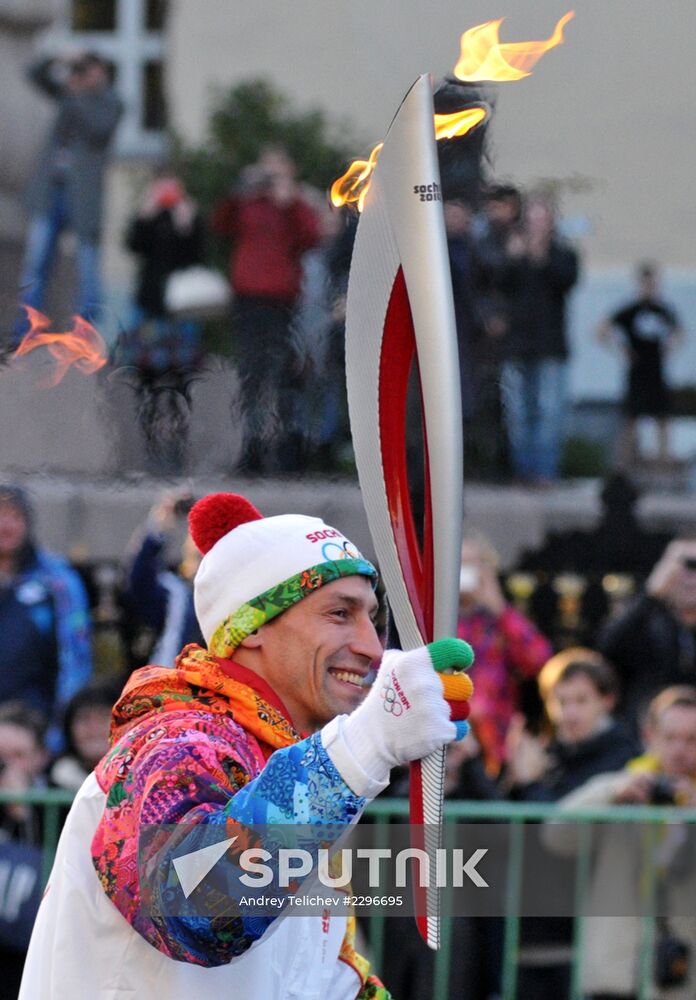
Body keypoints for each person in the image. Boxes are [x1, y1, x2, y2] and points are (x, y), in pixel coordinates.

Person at [19, 492, 474, 998]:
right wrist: (367, 744)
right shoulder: (172, 741)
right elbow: (199, 908)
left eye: (372, 617)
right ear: (252, 626)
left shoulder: (286, 771)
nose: (372, 646)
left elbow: (319, 982)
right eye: (340, 614)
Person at [544, 685, 696, 1000]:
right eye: (669, 738)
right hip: (615, 974)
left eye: (692, 740)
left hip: (682, 980)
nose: (680, 750)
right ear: (649, 736)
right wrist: (613, 795)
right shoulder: (619, 787)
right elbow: (555, 835)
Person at [503, 651, 639, 1000]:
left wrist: (532, 783)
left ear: (607, 701)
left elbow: (562, 828)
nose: (569, 713)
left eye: (581, 700)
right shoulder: (548, 756)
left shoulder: (624, 759)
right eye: (559, 701)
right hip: (532, 934)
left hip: (587, 932)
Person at [211, 146, 321, 473]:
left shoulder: (296, 205)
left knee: (282, 374)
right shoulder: (249, 202)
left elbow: (312, 237)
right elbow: (220, 224)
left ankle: (286, 452)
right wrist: (239, 190)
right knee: (251, 376)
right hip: (249, 298)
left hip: (281, 301)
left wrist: (290, 204)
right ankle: (252, 450)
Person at [16, 51, 122, 333]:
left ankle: (86, 330)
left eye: (90, 69)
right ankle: (26, 327)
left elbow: (98, 128)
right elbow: (33, 75)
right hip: (52, 192)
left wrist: (79, 92)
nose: (83, 75)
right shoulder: (69, 93)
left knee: (87, 266)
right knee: (37, 262)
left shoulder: (110, 102)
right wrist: (58, 58)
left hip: (83, 198)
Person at [497, 196, 580, 484]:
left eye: (541, 219)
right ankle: (522, 471)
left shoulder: (562, 254)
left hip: (550, 347)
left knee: (549, 412)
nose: (535, 225)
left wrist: (538, 257)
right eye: (531, 219)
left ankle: (545, 472)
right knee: (518, 413)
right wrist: (513, 258)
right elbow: (500, 285)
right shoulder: (514, 254)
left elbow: (566, 280)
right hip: (517, 346)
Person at [0, 485, 92, 739]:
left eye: (14, 516)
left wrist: (62, 727)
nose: (5, 526)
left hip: (34, 723)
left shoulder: (58, 581)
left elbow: (76, 656)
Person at [457, 534, 552, 774]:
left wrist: (498, 605)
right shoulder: (429, 619)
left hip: (497, 749)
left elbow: (540, 660)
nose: (463, 573)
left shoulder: (500, 620)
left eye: (471, 565)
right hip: (446, 746)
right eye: (457, 564)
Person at [599, 538, 696, 734]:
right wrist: (651, 594)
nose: (691, 577)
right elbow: (608, 646)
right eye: (685, 564)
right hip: (646, 735)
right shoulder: (648, 617)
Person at [597, 262, 684, 469]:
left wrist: (670, 349)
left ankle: (664, 467)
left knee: (662, 420)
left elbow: (680, 333)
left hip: (656, 371)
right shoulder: (630, 311)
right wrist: (621, 351)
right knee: (630, 420)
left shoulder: (663, 310)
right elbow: (601, 330)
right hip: (637, 371)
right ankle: (622, 467)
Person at [122, 491, 203, 666]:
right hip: (176, 681)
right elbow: (140, 580)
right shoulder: (176, 594)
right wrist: (158, 528)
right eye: (196, 555)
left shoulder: (225, 594)